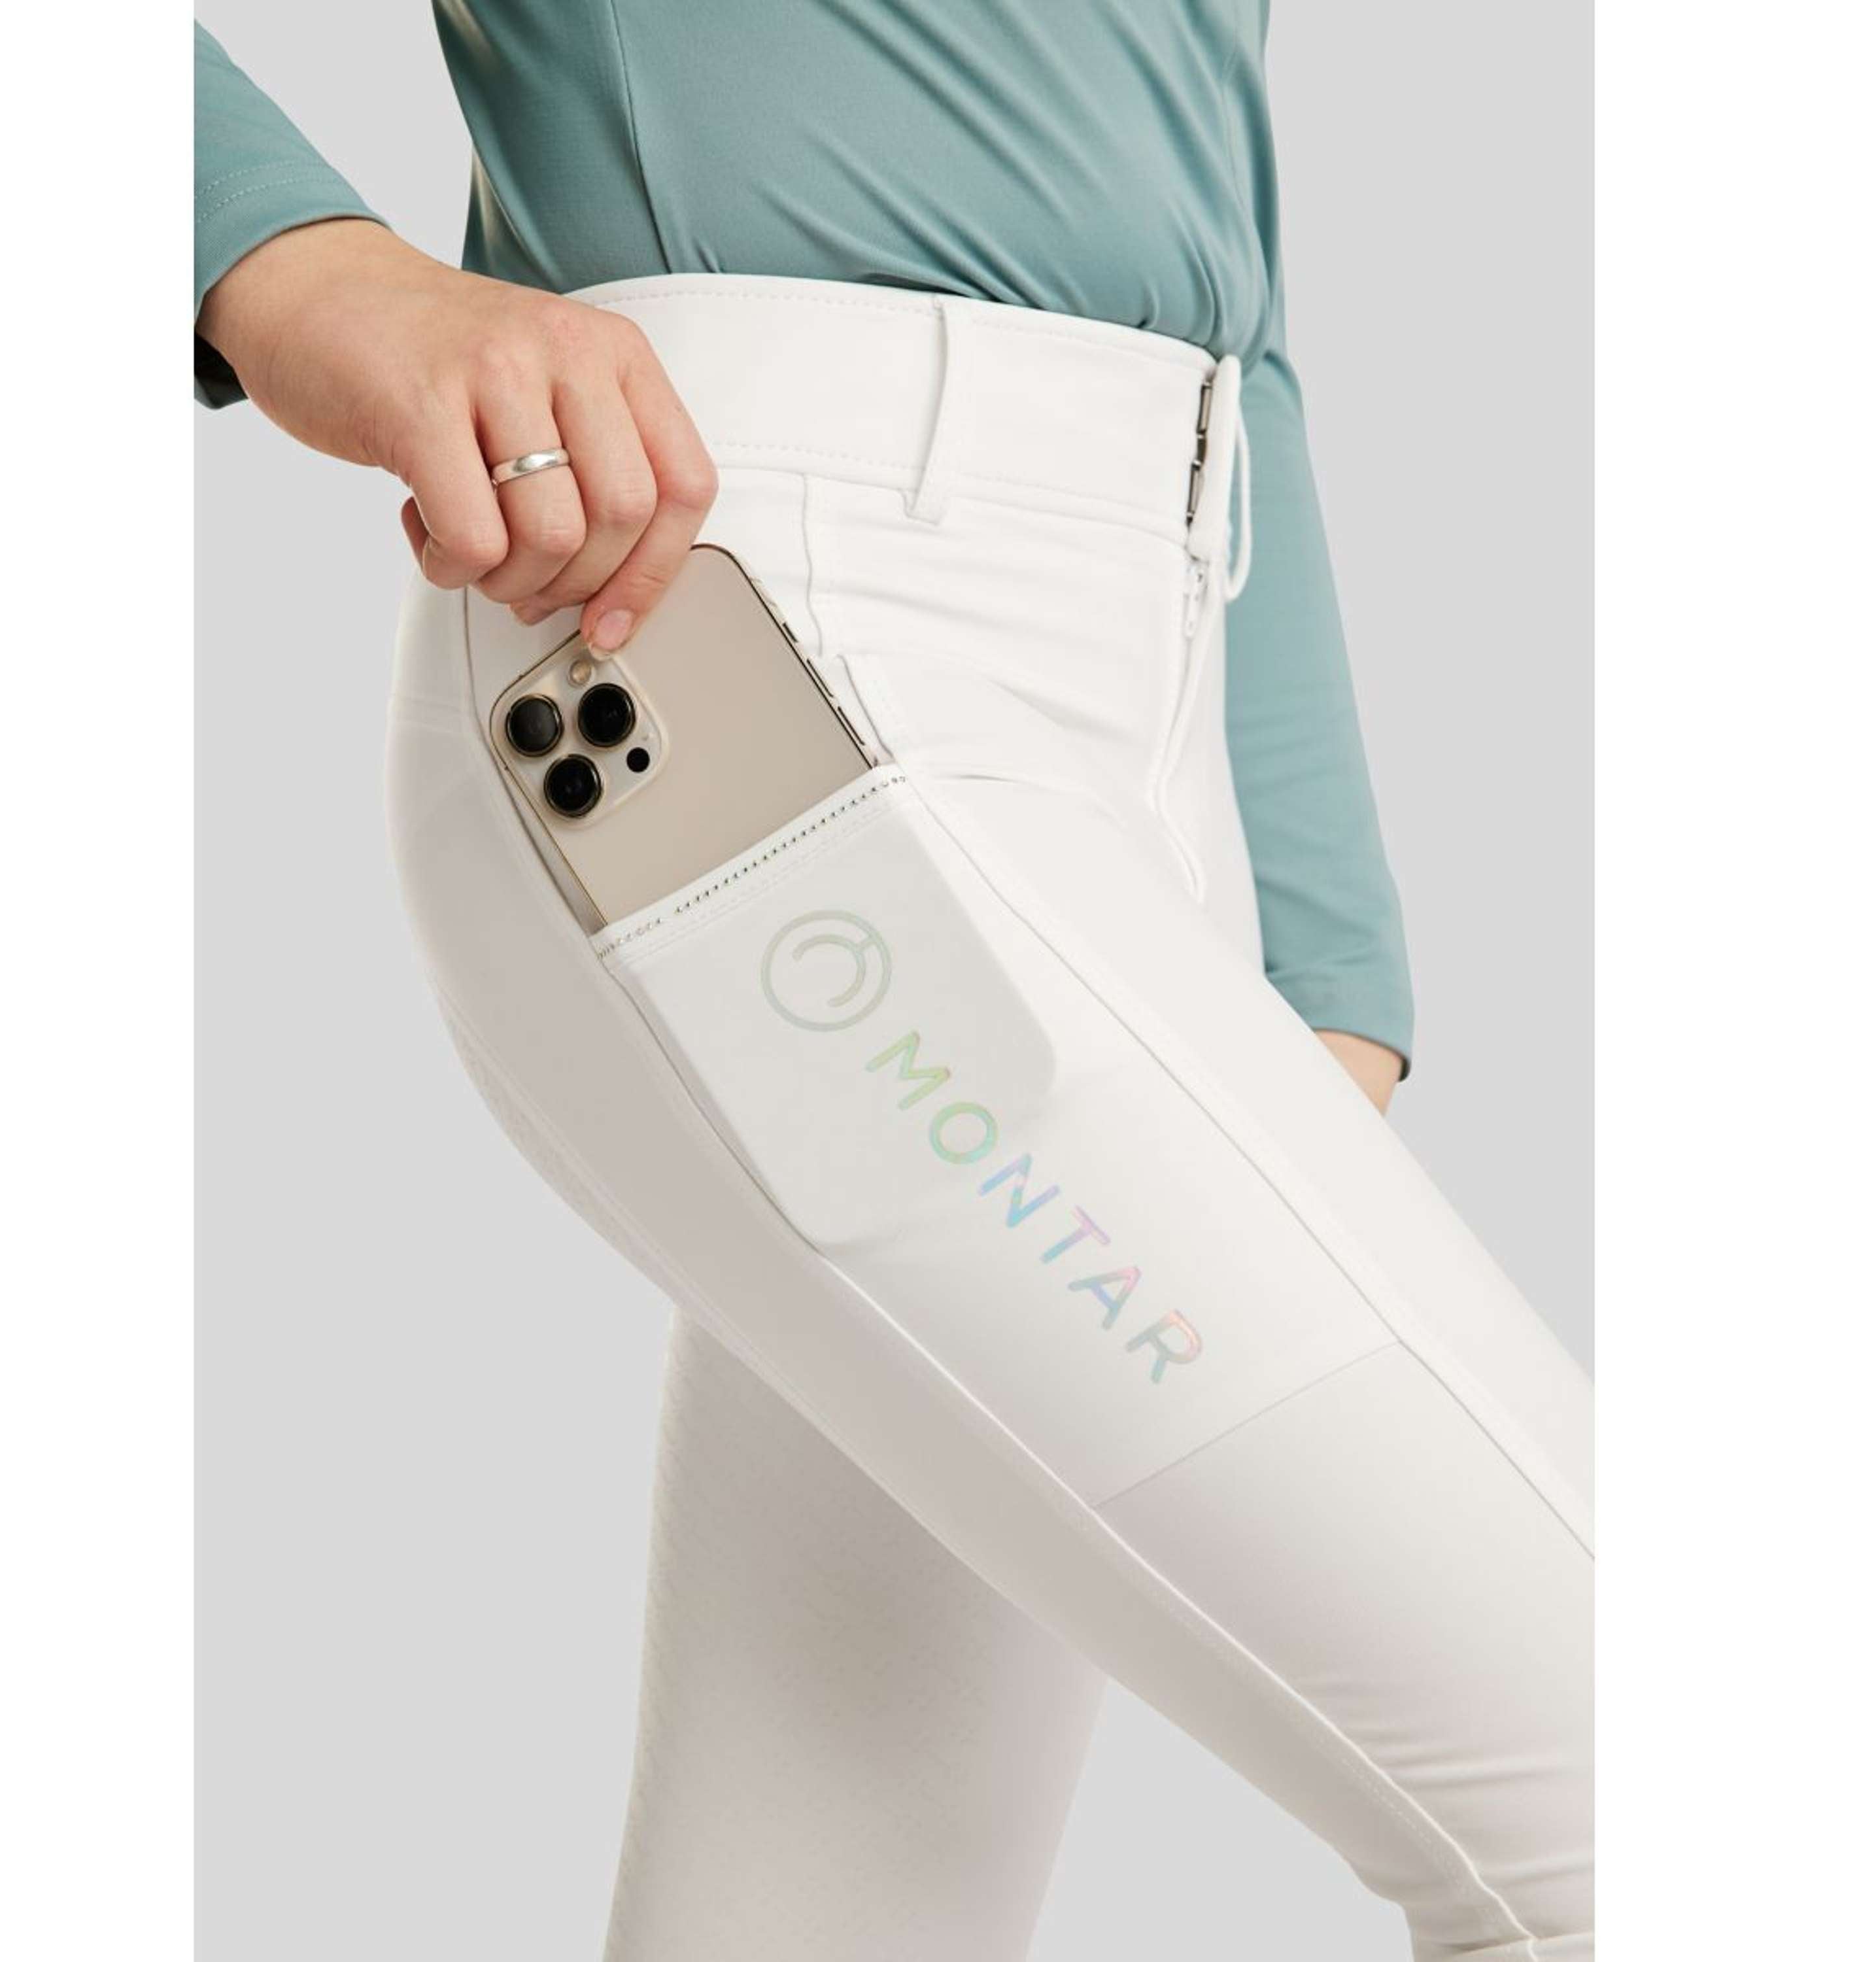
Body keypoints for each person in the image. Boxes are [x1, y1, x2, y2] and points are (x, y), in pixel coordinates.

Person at [196, 9, 1592, 1957]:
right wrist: (285, 257)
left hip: (1150, 670)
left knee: (833, 1914)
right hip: (754, 627)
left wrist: (1312, 938)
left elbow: (1205, 191)